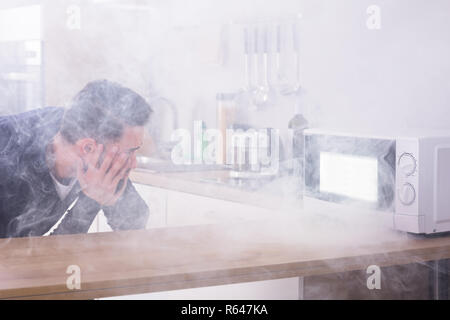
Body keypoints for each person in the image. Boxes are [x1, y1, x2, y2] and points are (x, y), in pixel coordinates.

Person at [0, 79, 152, 238]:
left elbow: (136, 222)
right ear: (87, 148)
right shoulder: (7, 165)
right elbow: (22, 253)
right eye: (129, 152)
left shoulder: (83, 129)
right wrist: (90, 201)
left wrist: (98, 195)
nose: (134, 163)